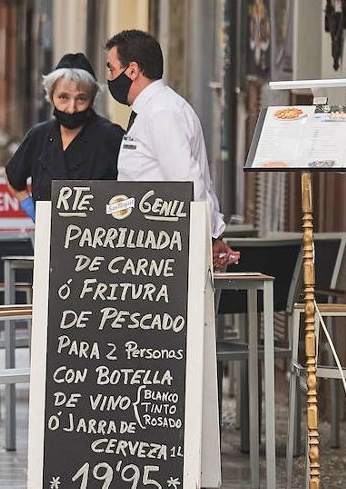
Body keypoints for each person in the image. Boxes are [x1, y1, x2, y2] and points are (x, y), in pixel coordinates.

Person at [104, 29, 238, 488]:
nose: (110, 77)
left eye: (111, 68)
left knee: (170, 367)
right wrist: (216, 234)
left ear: (132, 70)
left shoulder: (161, 112)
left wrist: (209, 238)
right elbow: (198, 181)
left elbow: (188, 184)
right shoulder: (154, 111)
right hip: (151, 256)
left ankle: (173, 464)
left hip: (164, 258)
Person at [4, 53, 122, 212]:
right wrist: (32, 210)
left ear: (92, 99)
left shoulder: (111, 137)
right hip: (48, 235)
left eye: (81, 99)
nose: (71, 108)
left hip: (96, 235)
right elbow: (12, 176)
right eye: (63, 97)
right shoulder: (39, 135)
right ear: (51, 97)